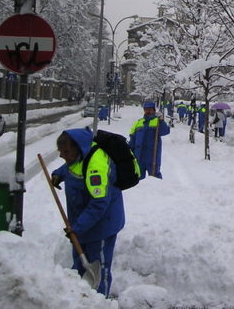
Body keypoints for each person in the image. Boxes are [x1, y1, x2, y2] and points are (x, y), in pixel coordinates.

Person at [51, 128, 125, 297]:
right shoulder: (78, 155)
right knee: (79, 263)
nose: (62, 155)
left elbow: (99, 204)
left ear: (78, 148)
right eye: (60, 152)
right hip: (81, 224)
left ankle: (100, 300)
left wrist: (77, 228)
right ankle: (76, 299)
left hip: (101, 226)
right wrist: (58, 174)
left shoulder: (96, 166)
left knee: (98, 269)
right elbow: (71, 166)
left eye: (66, 151)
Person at [129, 100, 170, 178]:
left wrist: (161, 120)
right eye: (146, 109)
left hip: (152, 156)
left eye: (150, 109)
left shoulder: (157, 122)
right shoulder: (138, 123)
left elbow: (165, 131)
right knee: (138, 179)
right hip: (139, 156)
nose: (148, 111)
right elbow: (132, 139)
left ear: (154, 110)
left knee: (155, 178)